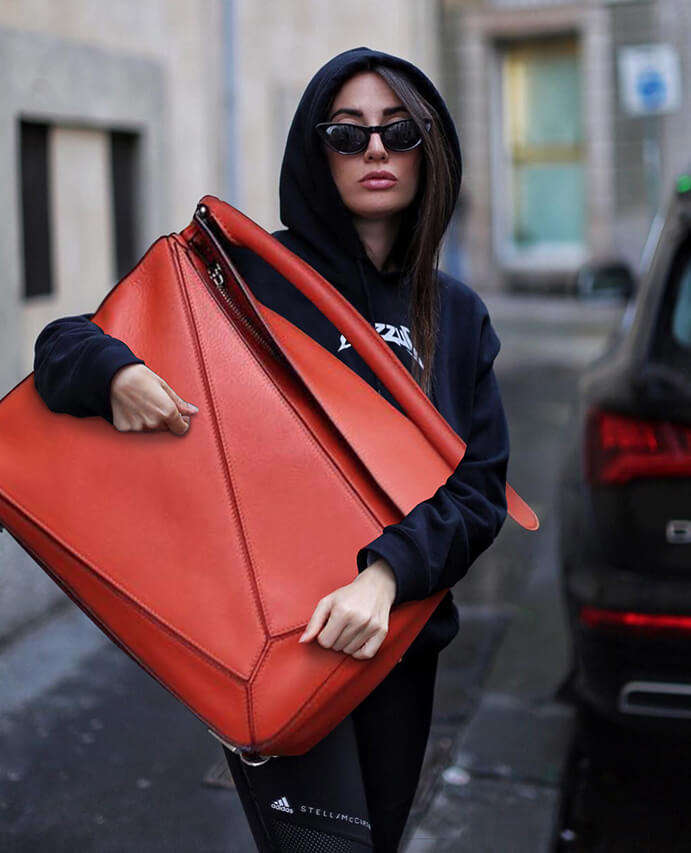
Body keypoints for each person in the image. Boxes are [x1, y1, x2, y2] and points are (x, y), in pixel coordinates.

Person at [33, 46, 510, 852]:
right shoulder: (253, 278)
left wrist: (386, 575)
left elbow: (479, 491)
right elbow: (61, 343)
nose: (375, 153)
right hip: (272, 634)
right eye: (346, 133)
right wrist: (114, 371)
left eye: (398, 132)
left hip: (396, 642)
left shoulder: (455, 315)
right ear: (312, 147)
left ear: (430, 148)